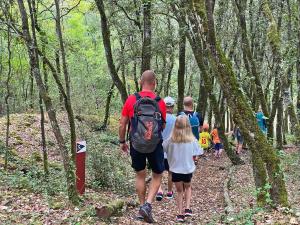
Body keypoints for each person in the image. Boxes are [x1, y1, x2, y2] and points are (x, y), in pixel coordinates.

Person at [119, 70, 166, 223]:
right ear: (154, 83)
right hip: (155, 144)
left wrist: (122, 141)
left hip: (136, 143)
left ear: (141, 82)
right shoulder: (160, 101)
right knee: (157, 174)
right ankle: (148, 204)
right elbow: (162, 126)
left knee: (140, 174)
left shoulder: (132, 99)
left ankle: (141, 207)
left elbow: (123, 123)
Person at [163, 115, 203, 222]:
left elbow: (163, 148)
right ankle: (188, 208)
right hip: (187, 169)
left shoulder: (170, 140)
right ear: (188, 126)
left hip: (175, 170)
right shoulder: (192, 140)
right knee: (188, 187)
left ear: (175, 126)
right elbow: (199, 152)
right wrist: (194, 158)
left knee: (179, 191)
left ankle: (180, 214)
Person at [156, 96, 176, 201]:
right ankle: (169, 192)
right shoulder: (176, 120)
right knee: (170, 172)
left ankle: (159, 191)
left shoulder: (158, 117)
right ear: (172, 107)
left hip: (158, 149)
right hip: (171, 150)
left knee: (158, 172)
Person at [180, 96, 203, 163]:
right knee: (191, 162)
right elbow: (201, 130)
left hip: (182, 143)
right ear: (192, 104)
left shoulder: (180, 115)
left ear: (183, 104)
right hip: (194, 144)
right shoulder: (198, 115)